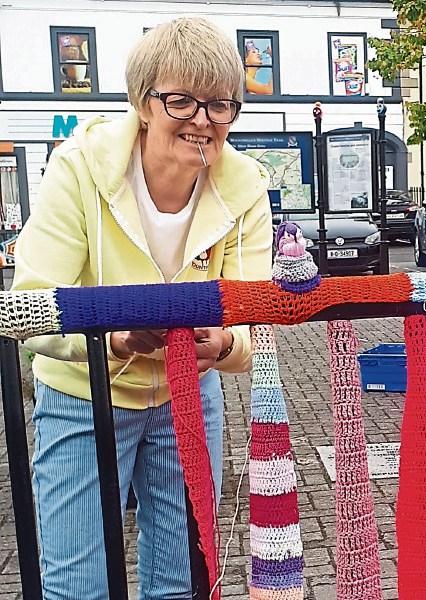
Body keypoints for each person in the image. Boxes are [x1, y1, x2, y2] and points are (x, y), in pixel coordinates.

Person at [12, 18, 272, 599]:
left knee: (181, 580)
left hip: (189, 390)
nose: (202, 120)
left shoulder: (246, 184)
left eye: (220, 105)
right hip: (85, 390)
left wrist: (225, 343)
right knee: (78, 585)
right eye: (181, 100)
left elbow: (252, 311)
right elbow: (30, 305)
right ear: (143, 102)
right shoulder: (79, 167)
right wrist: (109, 337)